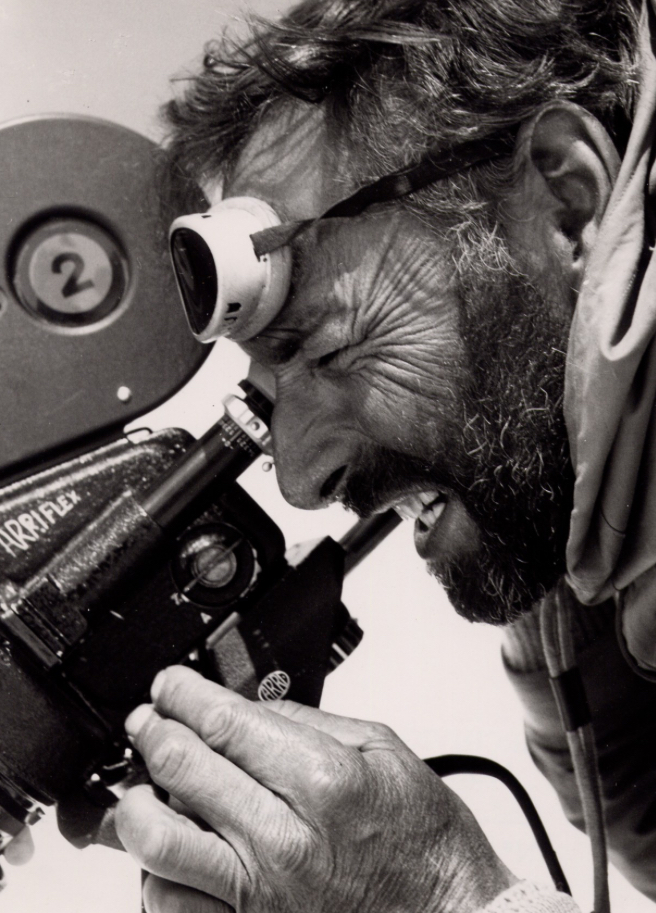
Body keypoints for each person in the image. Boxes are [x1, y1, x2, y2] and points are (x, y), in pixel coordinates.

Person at [109, 0, 656, 910]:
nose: (301, 479)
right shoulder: (581, 581)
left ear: (567, 205)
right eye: (270, 395)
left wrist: (440, 894)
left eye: (325, 350)